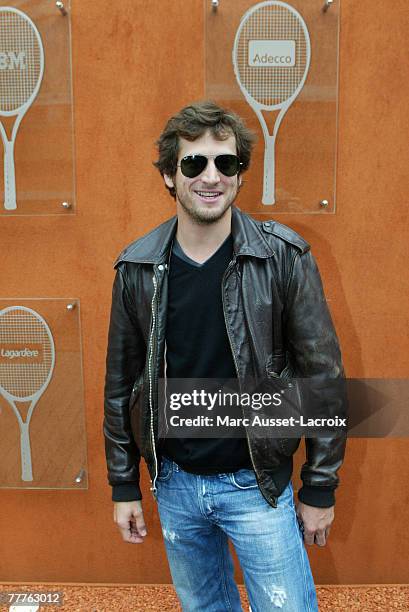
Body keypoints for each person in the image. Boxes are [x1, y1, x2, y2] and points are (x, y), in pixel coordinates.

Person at [103, 100, 347, 611]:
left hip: (257, 487)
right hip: (174, 485)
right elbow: (121, 384)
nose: (210, 176)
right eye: (194, 163)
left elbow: (321, 376)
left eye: (225, 163)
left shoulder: (283, 256)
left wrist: (319, 488)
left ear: (239, 174)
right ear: (170, 176)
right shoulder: (137, 268)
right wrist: (124, 483)